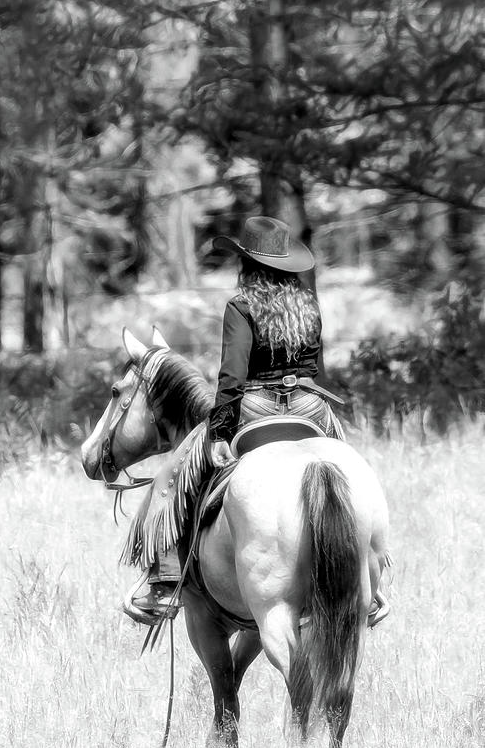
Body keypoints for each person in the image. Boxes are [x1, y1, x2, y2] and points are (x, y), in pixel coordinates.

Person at [130, 216, 389, 626]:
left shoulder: (241, 306)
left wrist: (218, 432)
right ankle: (372, 580)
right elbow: (313, 367)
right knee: (347, 466)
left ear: (246, 264)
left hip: (255, 404)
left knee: (175, 473)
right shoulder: (308, 304)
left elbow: (231, 376)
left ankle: (164, 580)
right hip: (309, 403)